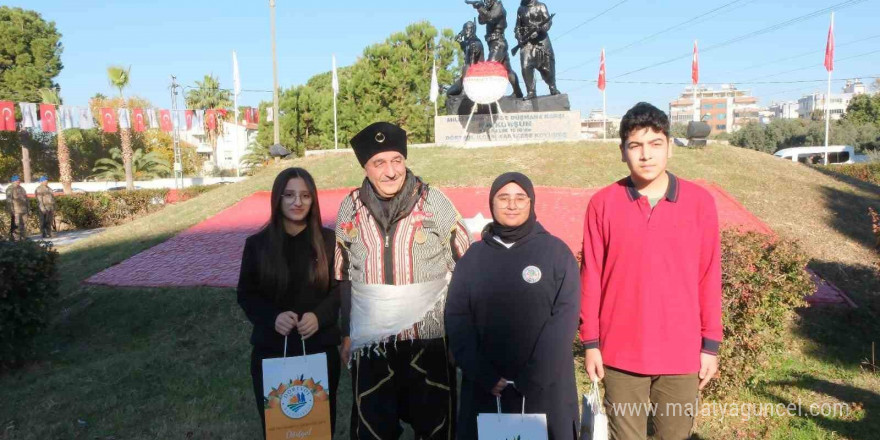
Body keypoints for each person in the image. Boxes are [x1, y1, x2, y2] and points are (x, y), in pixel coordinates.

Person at [580, 102, 722, 440]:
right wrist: (590, 343)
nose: (646, 155)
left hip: (682, 353)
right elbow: (591, 278)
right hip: (619, 353)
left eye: (655, 143)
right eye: (636, 145)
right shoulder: (603, 204)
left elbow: (709, 276)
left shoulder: (700, 202)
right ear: (622, 152)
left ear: (670, 147)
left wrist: (710, 346)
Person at [334, 122, 471, 439]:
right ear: (366, 167)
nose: (391, 171)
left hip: (429, 340)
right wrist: (345, 333)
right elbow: (343, 275)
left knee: (436, 429)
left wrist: (459, 335)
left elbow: (467, 269)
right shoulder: (349, 208)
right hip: (371, 345)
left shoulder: (435, 202)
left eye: (396, 160)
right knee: (373, 430)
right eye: (379, 163)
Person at [447, 172, 579, 440]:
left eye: (521, 198)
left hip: (543, 387)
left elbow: (565, 316)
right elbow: (457, 317)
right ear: (491, 203)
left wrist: (535, 376)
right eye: (503, 198)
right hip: (487, 387)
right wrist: (483, 373)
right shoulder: (473, 258)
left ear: (531, 202)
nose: (512, 204)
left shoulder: (556, 253)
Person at [237, 167, 341, 439]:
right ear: (278, 199)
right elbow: (246, 294)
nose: (298, 202)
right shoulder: (257, 245)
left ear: (313, 200)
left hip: (319, 351)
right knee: (281, 430)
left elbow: (340, 290)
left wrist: (320, 316)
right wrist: (272, 317)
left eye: (305, 195)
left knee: (317, 429)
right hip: (272, 352)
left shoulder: (329, 242)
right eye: (290, 195)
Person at [471, 0, 524, 98]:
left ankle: (488, 96)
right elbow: (481, 21)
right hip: (493, 43)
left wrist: (480, 7)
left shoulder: (499, 8)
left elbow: (491, 18)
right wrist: (481, 8)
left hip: (498, 43)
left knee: (489, 68)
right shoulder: (490, 8)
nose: (486, 1)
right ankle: (518, 92)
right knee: (508, 70)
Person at [514, 0, 559, 99]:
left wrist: (539, 30)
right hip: (527, 42)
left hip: (542, 41)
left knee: (548, 66)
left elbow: (548, 22)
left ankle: (552, 87)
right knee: (525, 66)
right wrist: (519, 37)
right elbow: (517, 27)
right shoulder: (520, 9)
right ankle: (531, 91)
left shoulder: (541, 6)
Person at [447, 20, 485, 96]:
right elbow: (464, 45)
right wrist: (460, 40)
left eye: (468, 29)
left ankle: (465, 90)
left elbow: (476, 47)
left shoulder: (476, 42)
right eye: (465, 29)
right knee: (449, 92)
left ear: (473, 30)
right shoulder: (468, 43)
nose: (466, 31)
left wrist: (475, 48)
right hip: (465, 76)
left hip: (476, 75)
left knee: (466, 66)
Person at [5, 175, 29, 241]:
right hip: (16, 211)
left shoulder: (22, 188)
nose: (19, 181)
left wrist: (28, 209)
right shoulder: (10, 189)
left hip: (24, 210)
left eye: (19, 180)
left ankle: (23, 238)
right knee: (16, 225)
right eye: (17, 180)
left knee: (24, 224)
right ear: (13, 181)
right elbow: (9, 201)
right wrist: (11, 211)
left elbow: (26, 199)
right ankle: (16, 239)